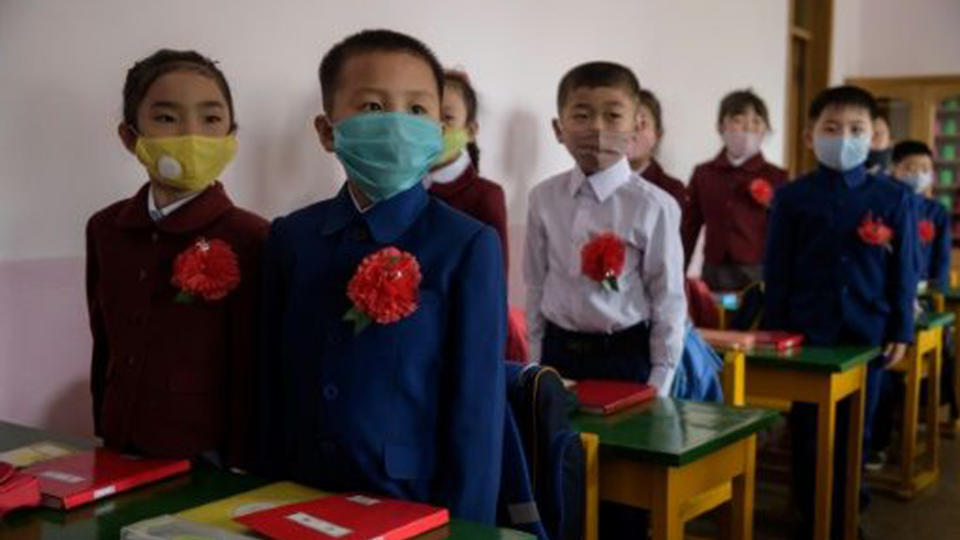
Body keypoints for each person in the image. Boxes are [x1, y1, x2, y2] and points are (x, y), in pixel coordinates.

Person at [255, 29, 506, 523]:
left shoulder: (467, 245)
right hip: (298, 495)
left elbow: (476, 411)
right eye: (372, 107)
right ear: (328, 131)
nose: (395, 124)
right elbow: (269, 382)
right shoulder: (291, 237)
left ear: (438, 129)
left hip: (410, 501)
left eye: (416, 110)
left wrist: (469, 526)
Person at [86, 49, 268, 468]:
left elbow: (252, 368)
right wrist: (102, 431)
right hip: (117, 442)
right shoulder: (105, 229)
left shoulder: (252, 236)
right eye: (167, 118)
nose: (192, 134)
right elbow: (104, 343)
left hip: (208, 457)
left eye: (210, 119)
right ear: (131, 137)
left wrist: (243, 463)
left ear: (231, 134)